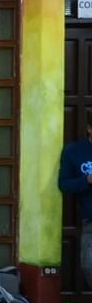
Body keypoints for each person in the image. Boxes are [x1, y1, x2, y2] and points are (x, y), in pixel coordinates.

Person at [58, 120, 92, 288]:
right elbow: (64, 184)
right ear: (89, 128)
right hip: (90, 218)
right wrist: (86, 180)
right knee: (88, 265)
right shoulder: (74, 151)